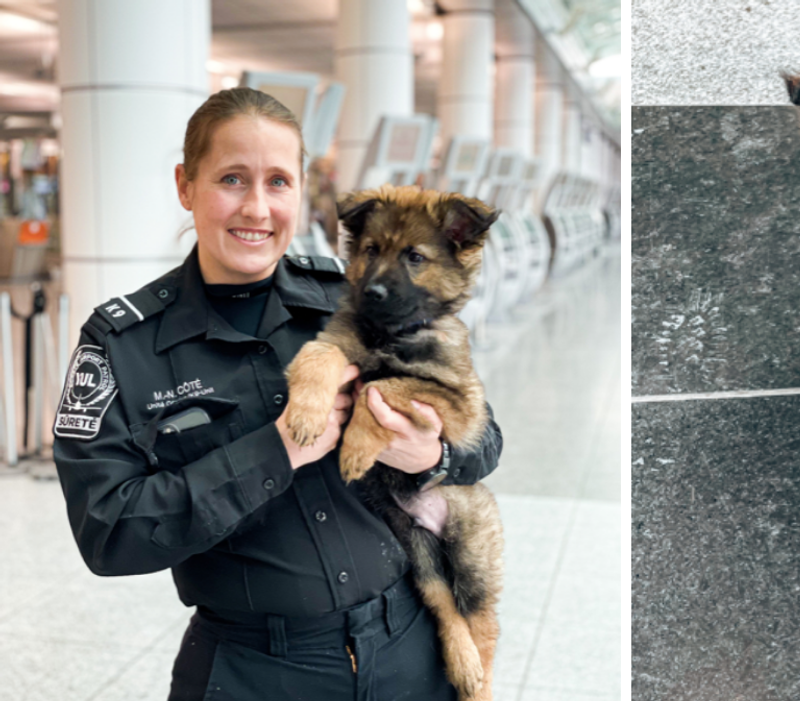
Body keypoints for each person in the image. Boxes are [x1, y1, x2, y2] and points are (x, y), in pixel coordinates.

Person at [52, 87, 502, 701]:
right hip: (254, 671)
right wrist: (279, 448)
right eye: (232, 179)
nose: (257, 208)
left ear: (301, 189)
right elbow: (110, 534)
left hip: (410, 649)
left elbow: (486, 441)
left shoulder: (351, 299)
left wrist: (432, 456)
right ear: (186, 185)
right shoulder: (122, 344)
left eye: (279, 182)